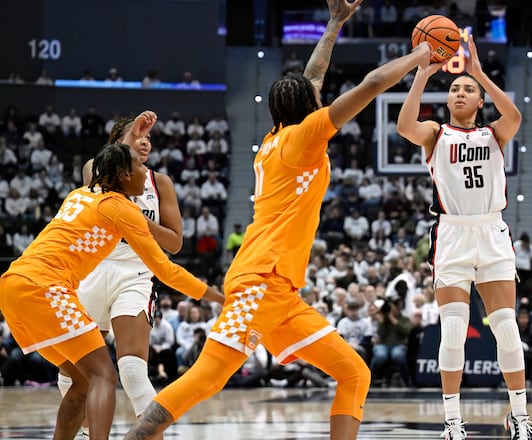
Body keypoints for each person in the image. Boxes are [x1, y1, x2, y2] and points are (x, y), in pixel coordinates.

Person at [124, 1, 433, 438]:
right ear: (310, 108)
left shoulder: (277, 137)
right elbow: (372, 83)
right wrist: (423, 55)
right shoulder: (305, 136)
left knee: (354, 373)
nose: (321, 95)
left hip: (282, 290)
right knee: (208, 376)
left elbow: (311, 78)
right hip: (259, 279)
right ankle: (140, 434)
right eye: (317, 99)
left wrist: (333, 24)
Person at [0, 143, 222, 440]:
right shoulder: (121, 208)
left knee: (80, 382)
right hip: (46, 288)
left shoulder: (78, 195)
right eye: (140, 167)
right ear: (123, 174)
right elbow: (167, 271)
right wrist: (217, 296)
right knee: (103, 376)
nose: (146, 172)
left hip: (14, 285)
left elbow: (101, 165)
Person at [396, 34, 532, 439]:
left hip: (491, 232)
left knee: (506, 326)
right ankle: (453, 422)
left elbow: (516, 118)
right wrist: (421, 75)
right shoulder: (436, 135)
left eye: (467, 90)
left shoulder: (494, 134)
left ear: (478, 101)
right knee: (453, 329)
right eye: (455, 88)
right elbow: (405, 126)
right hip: (453, 235)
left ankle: (519, 417)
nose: (460, 92)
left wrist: (480, 74)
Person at [56, 109, 186, 439]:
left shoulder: (160, 183)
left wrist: (136, 222)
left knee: (131, 369)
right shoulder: (93, 170)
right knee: (71, 375)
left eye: (148, 137)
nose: (145, 141)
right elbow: (99, 184)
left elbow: (175, 242)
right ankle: (87, 433)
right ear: (117, 142)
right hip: (92, 269)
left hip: (136, 273)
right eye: (138, 135)